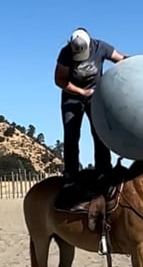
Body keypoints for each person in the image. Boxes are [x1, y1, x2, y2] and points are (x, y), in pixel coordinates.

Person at [54, 27, 128, 184]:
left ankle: (104, 169)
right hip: (72, 97)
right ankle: (71, 173)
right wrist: (81, 92)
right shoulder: (65, 53)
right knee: (71, 134)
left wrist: (136, 65)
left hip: (95, 96)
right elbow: (60, 80)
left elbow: (120, 59)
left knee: (99, 131)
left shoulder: (101, 47)